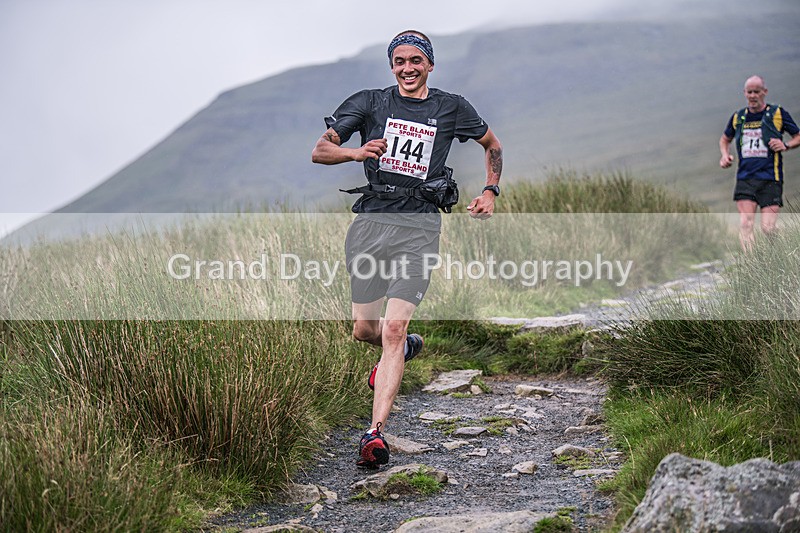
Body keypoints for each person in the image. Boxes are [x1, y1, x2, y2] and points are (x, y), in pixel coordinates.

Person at [311, 30, 502, 468]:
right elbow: (320, 151)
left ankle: (373, 434)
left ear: (430, 65)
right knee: (365, 331)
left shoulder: (451, 106)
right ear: (391, 65)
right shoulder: (369, 102)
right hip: (370, 226)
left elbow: (493, 144)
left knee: (392, 332)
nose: (408, 68)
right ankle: (404, 348)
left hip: (419, 228)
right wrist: (357, 153)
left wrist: (490, 190)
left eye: (416, 60)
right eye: (399, 61)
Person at [720, 75, 799, 250]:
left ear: (765, 92)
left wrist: (785, 145)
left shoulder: (777, 113)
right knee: (746, 224)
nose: (753, 95)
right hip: (745, 178)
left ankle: (779, 256)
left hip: (770, 177)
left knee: (768, 228)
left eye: (757, 91)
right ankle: (752, 266)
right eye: (750, 92)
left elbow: (798, 136)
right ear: (745, 93)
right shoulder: (738, 117)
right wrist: (725, 155)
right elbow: (725, 139)